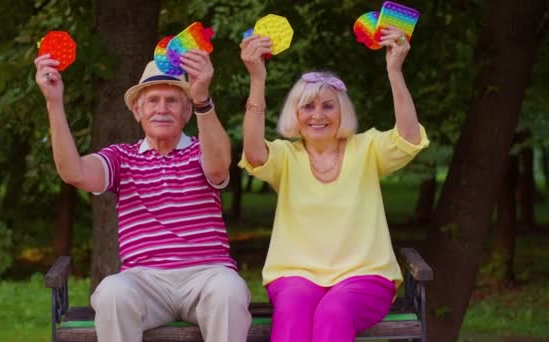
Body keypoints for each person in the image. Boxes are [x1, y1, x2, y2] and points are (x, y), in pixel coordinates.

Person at [34, 49, 251, 342]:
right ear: (137, 111)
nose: (162, 109)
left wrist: (202, 98)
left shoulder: (202, 147)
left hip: (207, 275)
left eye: (172, 100)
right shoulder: (122, 157)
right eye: (152, 101)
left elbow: (217, 167)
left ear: (187, 111)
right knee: (112, 291)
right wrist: (54, 102)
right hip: (145, 281)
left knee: (229, 291)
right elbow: (74, 172)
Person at [238, 27, 430, 342]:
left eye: (328, 106)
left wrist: (394, 70)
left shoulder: (366, 148)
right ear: (295, 114)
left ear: (342, 112)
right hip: (295, 275)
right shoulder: (286, 156)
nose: (318, 115)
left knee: (334, 312)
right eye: (308, 106)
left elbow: (408, 138)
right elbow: (254, 153)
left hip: (365, 276)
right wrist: (257, 80)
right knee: (293, 312)